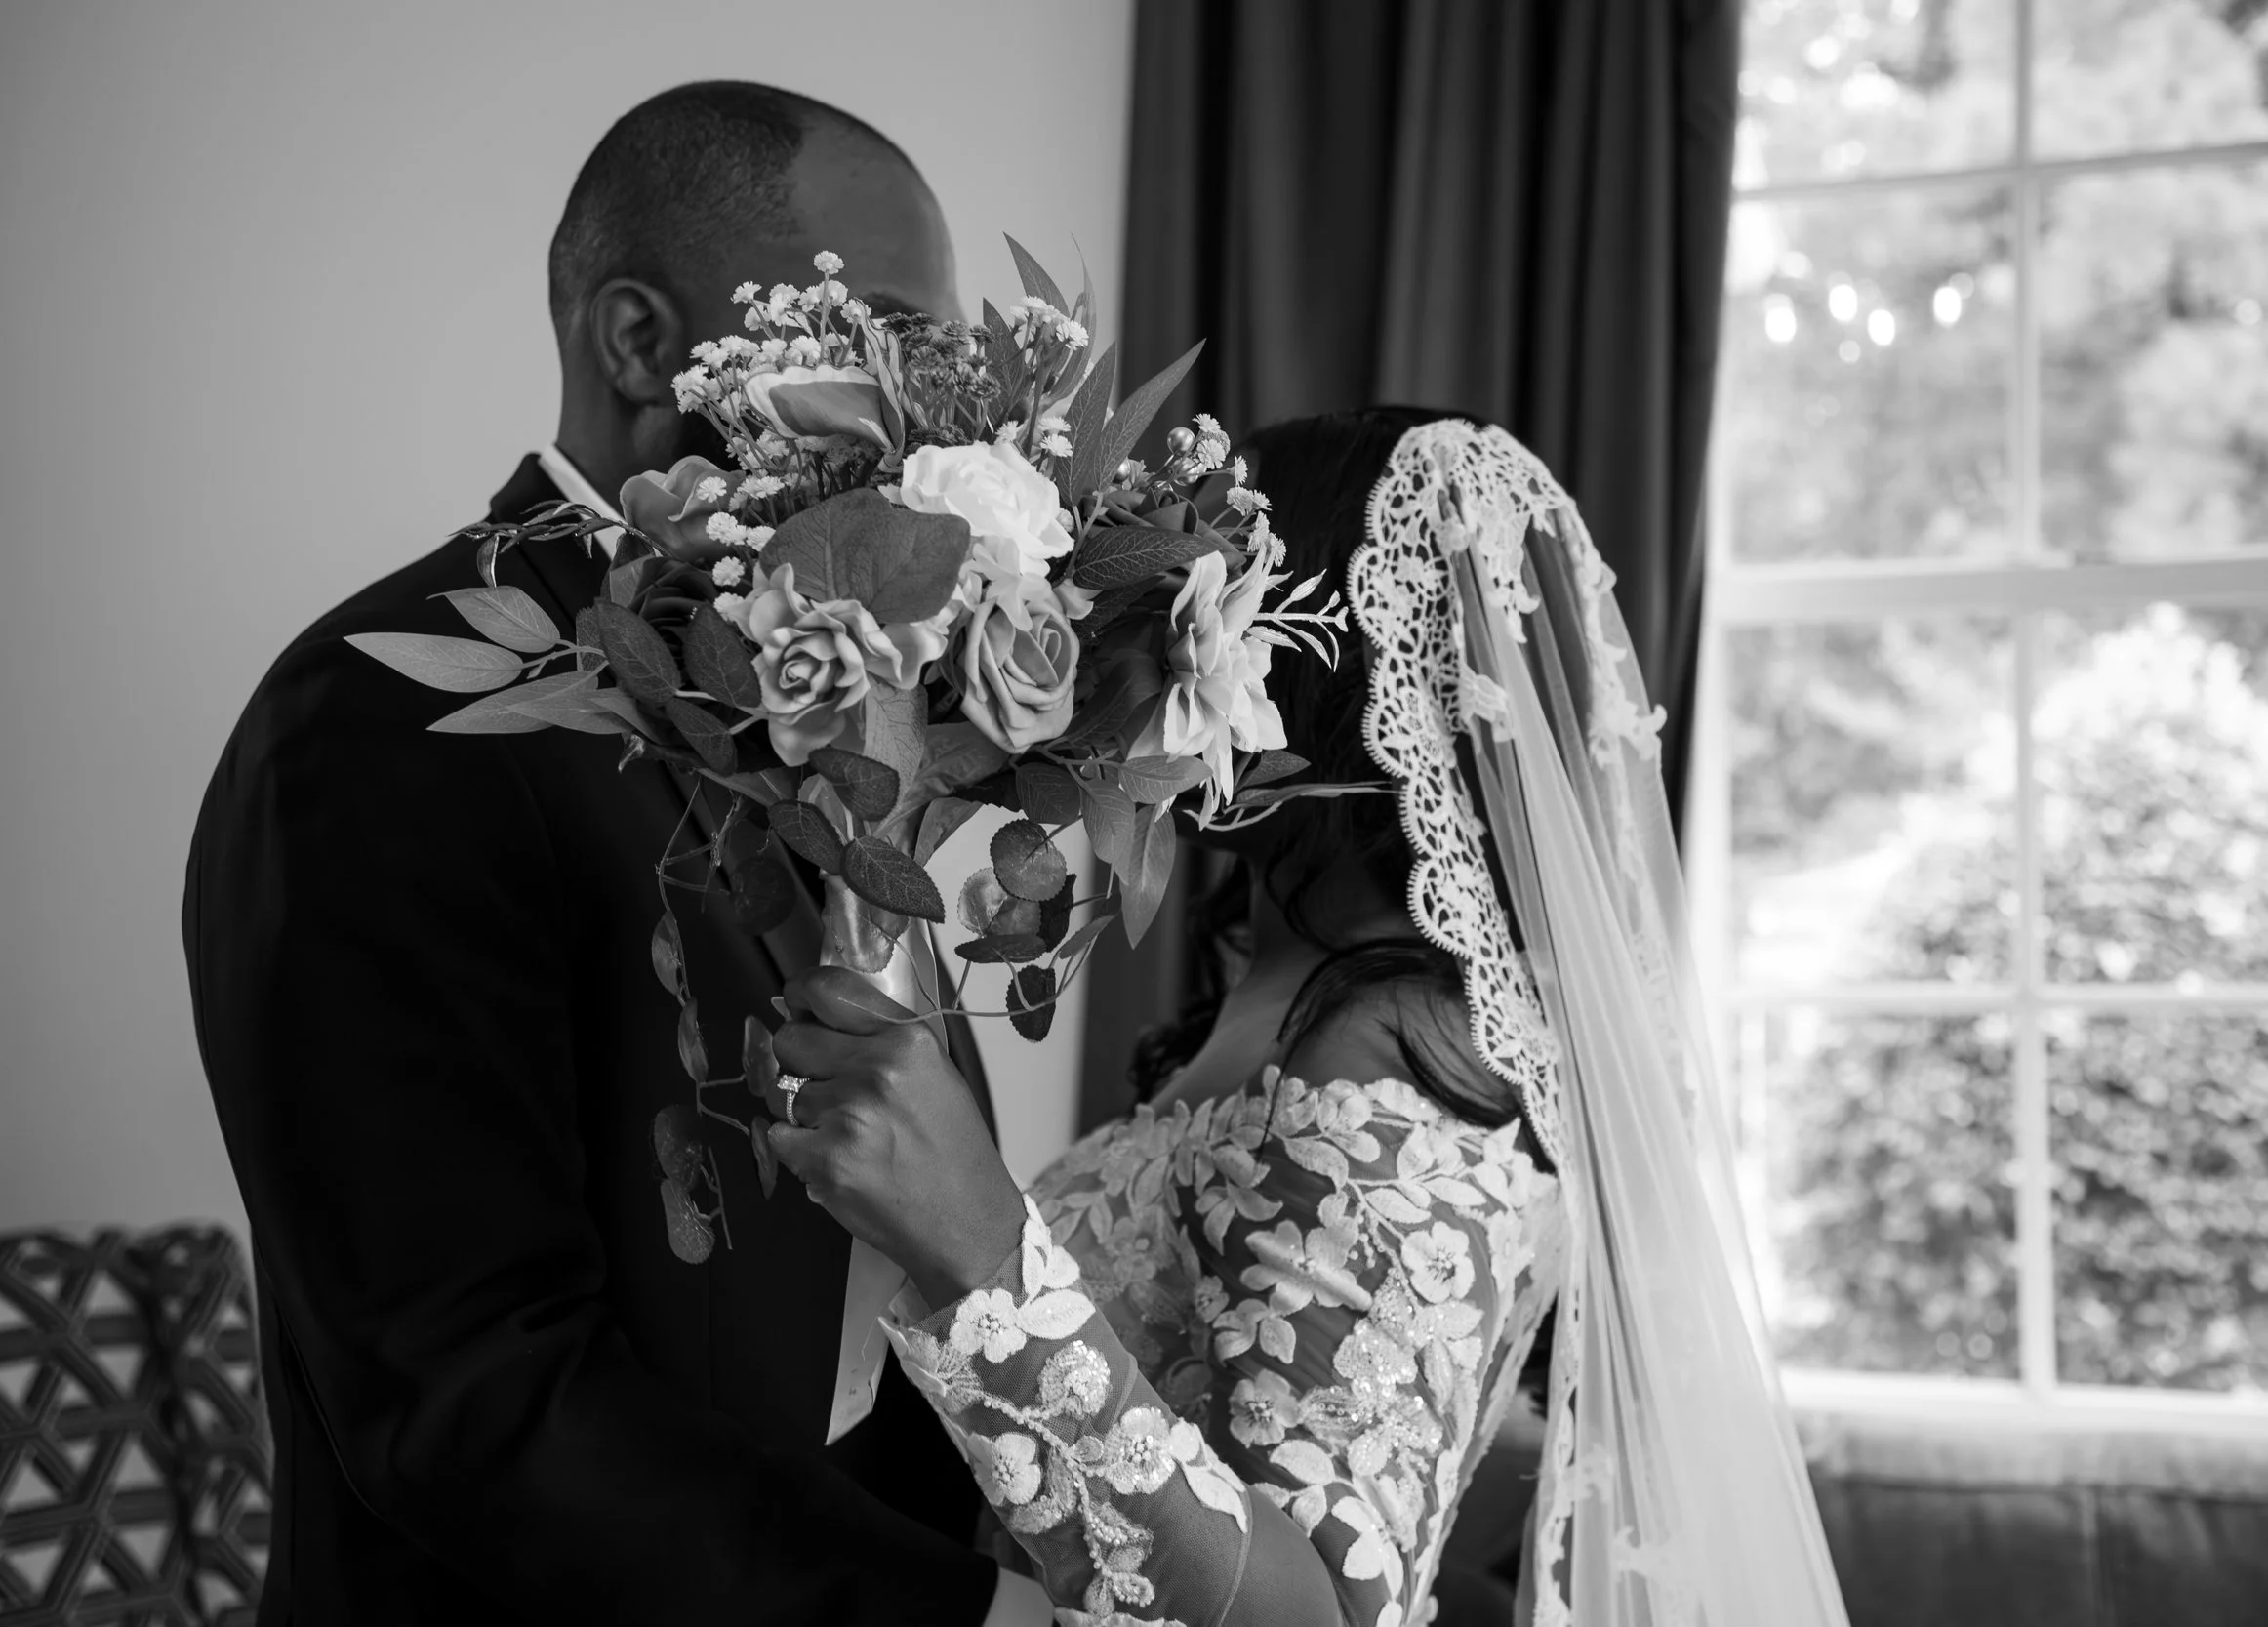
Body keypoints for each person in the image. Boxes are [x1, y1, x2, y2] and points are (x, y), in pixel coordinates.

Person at [183, 81, 1050, 1625]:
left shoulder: (839, 674)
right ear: (644, 340)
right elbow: (472, 1388)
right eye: (890, 335)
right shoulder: (382, 718)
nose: (939, 413)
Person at [765, 407, 1853, 1626]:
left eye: (1166, 597)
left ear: (1282, 655)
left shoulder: (1384, 1050)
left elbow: (1325, 1611)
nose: (1113, 646)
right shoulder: (1295, 1003)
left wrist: (982, 1256)